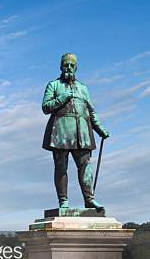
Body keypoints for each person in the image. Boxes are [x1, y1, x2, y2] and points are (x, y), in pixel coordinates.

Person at [42, 53, 109, 210]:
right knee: (61, 167)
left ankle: (89, 199)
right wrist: (62, 97)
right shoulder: (53, 85)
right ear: (61, 67)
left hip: (82, 133)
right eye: (66, 65)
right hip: (61, 131)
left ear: (76, 67)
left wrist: (100, 129)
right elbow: (45, 107)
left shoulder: (83, 88)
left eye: (72, 65)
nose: (69, 68)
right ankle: (63, 201)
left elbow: (91, 111)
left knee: (85, 167)